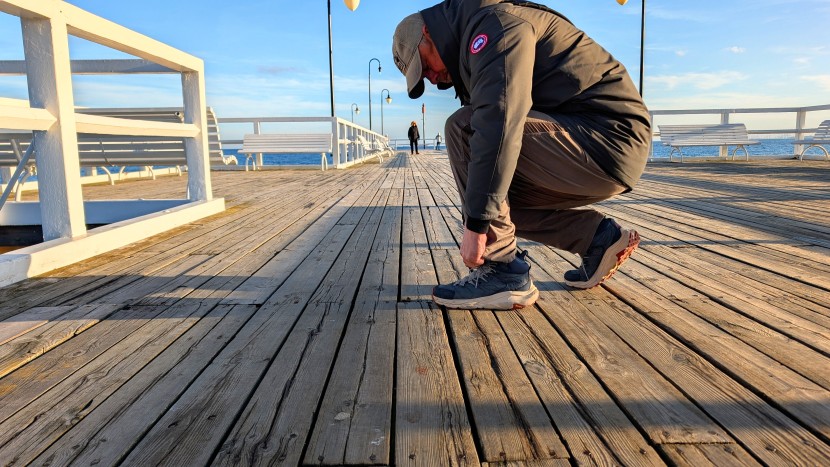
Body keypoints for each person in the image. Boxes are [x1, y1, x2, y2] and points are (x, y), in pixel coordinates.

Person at [392, 0, 651, 310]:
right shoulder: (480, 31)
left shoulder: (495, 26)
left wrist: (475, 226)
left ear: (427, 33)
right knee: (494, 201)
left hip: (609, 138)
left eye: (424, 66)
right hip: (598, 143)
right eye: (423, 78)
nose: (432, 78)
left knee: (463, 128)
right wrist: (482, 214)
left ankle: (504, 271)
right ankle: (597, 238)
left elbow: (498, 119)